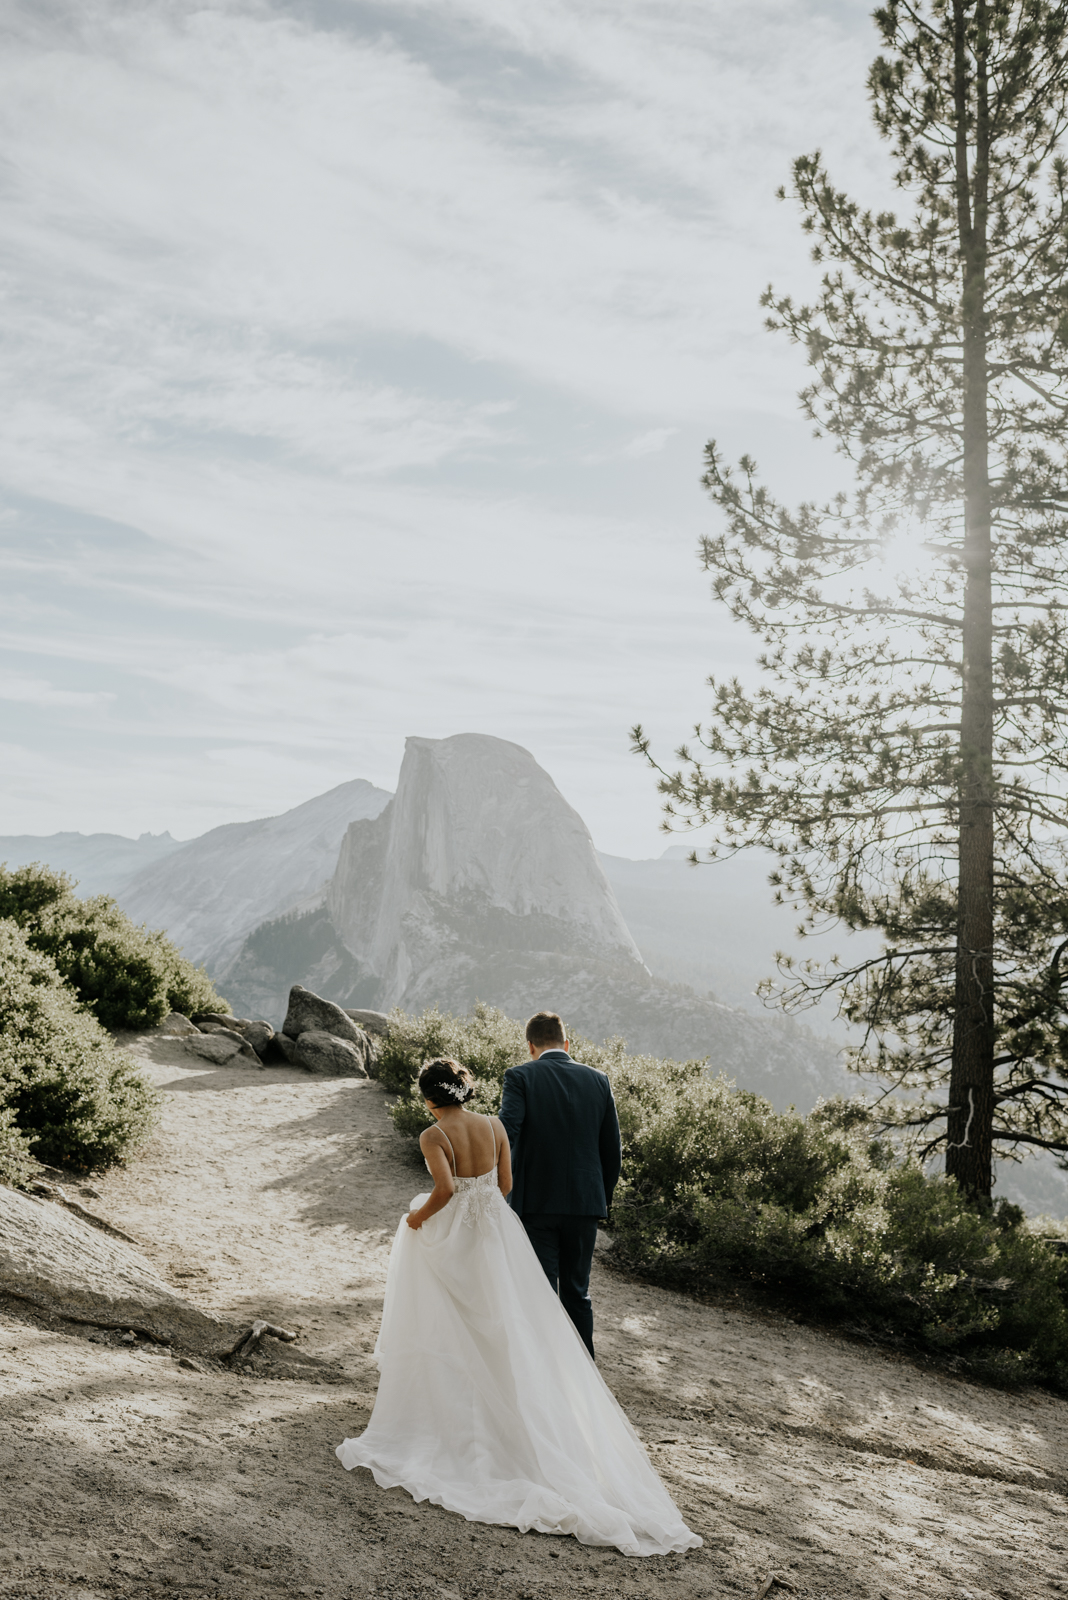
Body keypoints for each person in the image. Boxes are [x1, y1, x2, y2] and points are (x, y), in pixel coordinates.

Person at [335, 1056, 700, 1558]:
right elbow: (505, 1187)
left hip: (457, 1234)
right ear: (463, 1091)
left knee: (453, 1320)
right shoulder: (494, 1126)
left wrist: (416, 1219)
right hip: (498, 1234)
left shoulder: (432, 1135)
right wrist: (480, 1195)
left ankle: (464, 1416)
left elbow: (443, 1190)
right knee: (506, 1323)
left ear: (428, 1099)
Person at [498, 1010, 620, 1359]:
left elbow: (508, 1131)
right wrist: (600, 1200)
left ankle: (543, 1370)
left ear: (530, 1046)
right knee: (577, 1292)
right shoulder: (599, 1080)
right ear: (567, 1043)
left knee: (540, 1290)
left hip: (535, 1202)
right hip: (585, 1204)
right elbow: (612, 1149)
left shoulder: (520, 1076)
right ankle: (584, 1373)